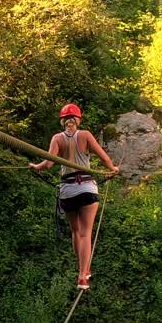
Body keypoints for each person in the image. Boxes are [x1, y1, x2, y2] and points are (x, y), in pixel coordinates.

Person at [30, 103, 119, 290]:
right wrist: (112, 169)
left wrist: (36, 167)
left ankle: (82, 269)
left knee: (76, 232)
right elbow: (103, 157)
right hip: (86, 187)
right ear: (77, 120)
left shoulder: (57, 139)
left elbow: (47, 164)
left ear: (63, 121)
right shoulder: (85, 135)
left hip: (68, 190)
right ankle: (83, 275)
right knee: (86, 233)